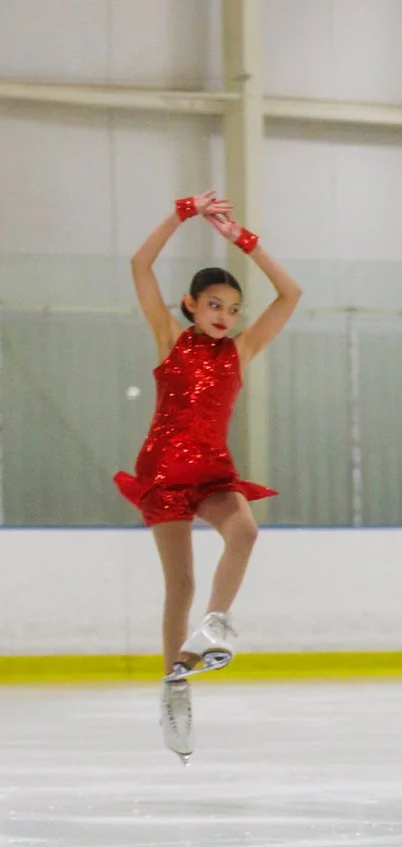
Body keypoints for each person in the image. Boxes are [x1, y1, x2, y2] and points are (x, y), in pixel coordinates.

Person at [116, 193, 304, 760]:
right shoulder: (170, 341)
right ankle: (175, 684)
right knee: (181, 585)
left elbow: (291, 294)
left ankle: (216, 625)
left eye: (233, 307)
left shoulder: (241, 351)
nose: (225, 315)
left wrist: (247, 243)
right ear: (190, 305)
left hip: (212, 470)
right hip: (165, 468)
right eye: (214, 304)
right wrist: (182, 212)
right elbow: (138, 266)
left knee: (244, 531)